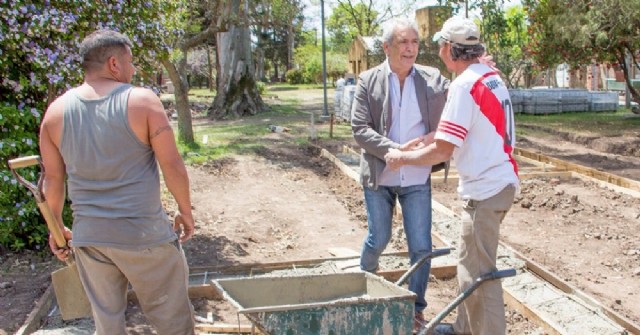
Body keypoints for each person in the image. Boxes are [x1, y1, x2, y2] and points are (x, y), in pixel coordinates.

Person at [39, 29, 196, 335]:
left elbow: (53, 181)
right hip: (144, 236)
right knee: (172, 322)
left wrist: (56, 229)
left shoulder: (55, 113)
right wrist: (185, 211)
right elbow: (172, 164)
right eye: (130, 62)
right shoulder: (141, 102)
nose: (133, 70)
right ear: (114, 63)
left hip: (91, 240)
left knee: (107, 325)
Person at [385, 16, 520, 335]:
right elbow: (460, 130)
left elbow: (444, 150)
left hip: (485, 190)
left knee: (479, 276)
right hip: (498, 183)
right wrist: (428, 138)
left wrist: (402, 157)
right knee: (468, 264)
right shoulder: (488, 76)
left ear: (448, 49)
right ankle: (463, 329)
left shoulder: (464, 86)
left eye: (439, 46)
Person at [350, 17, 450, 332]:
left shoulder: (433, 79)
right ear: (386, 46)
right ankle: (363, 289)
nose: (410, 49)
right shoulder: (368, 80)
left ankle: (416, 308)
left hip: (417, 176)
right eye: (403, 42)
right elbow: (359, 128)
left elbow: (457, 103)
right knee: (378, 238)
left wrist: (479, 69)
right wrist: (394, 150)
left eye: (414, 42)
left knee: (421, 246)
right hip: (381, 176)